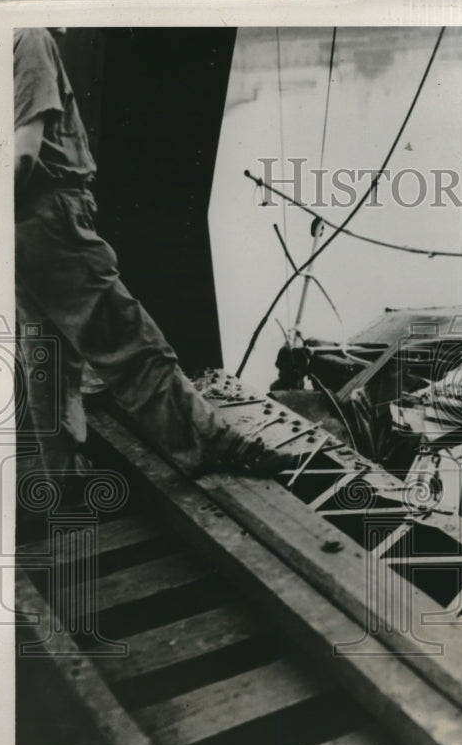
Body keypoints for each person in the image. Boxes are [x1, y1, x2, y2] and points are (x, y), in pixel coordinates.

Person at [14, 27, 286, 491]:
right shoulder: (27, 38)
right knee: (129, 339)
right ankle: (210, 442)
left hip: (16, 227)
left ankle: (58, 482)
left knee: (47, 355)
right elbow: (22, 155)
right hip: (48, 214)